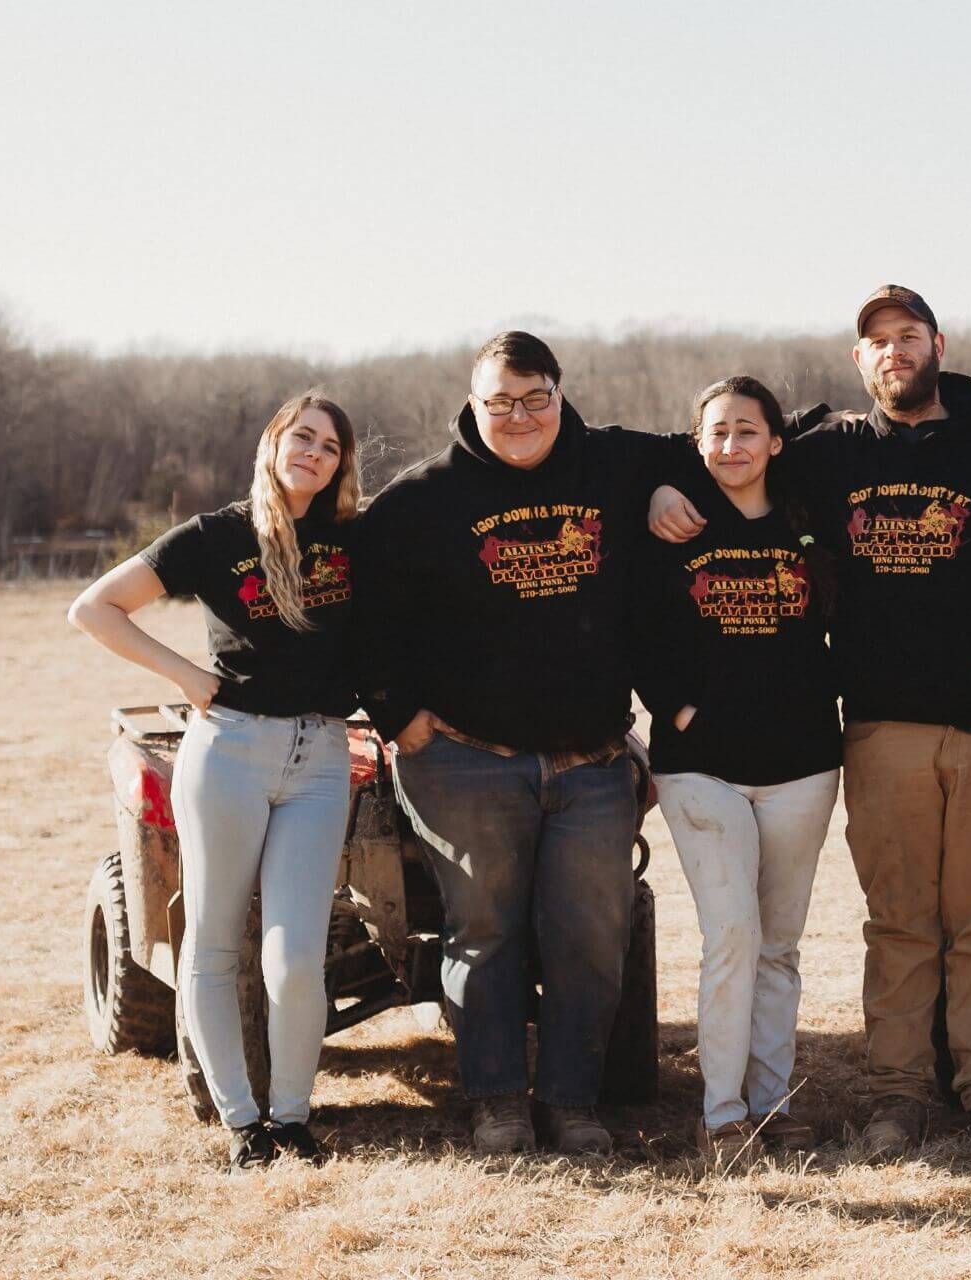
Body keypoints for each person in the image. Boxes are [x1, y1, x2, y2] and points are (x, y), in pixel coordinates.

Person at [651, 286, 971, 1155]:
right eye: (877, 341)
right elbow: (730, 448)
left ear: (938, 345)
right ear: (859, 360)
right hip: (881, 726)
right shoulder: (830, 451)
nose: (894, 352)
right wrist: (662, 485)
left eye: (908, 336)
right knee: (901, 920)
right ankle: (897, 1095)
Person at [352, 331, 689, 1156]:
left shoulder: (613, 463)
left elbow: (717, 442)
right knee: (485, 933)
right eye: (499, 401)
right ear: (473, 402)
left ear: (561, 394)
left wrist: (665, 487)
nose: (519, 416)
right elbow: (361, 612)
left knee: (590, 938)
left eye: (535, 397)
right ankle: (498, 1101)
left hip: (594, 760)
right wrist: (396, 714)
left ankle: (572, 1102)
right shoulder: (419, 499)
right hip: (466, 759)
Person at [69, 392, 362, 1172]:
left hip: (321, 755)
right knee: (212, 940)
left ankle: (293, 1117)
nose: (314, 454)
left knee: (296, 955)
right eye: (302, 437)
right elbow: (95, 609)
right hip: (228, 751)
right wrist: (189, 678)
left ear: (342, 463)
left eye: (330, 447)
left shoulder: (351, 538)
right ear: (273, 443)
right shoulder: (216, 536)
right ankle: (243, 1125)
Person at [634, 376, 842, 1164]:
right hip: (703, 768)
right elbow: (637, 626)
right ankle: (722, 1114)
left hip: (803, 763)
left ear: (776, 442)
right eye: (716, 431)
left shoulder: (809, 522)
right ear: (697, 442)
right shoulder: (674, 523)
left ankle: (773, 1104)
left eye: (747, 430)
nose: (731, 446)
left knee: (780, 945)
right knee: (732, 934)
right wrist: (678, 710)